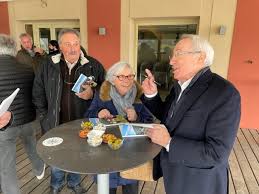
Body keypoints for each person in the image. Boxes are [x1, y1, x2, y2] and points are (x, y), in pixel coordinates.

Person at [141, 34, 241, 194]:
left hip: (200, 183)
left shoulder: (224, 92)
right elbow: (169, 117)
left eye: (178, 54)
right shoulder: (179, 86)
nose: (171, 61)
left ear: (200, 58)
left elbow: (216, 153)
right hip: (175, 175)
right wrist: (151, 95)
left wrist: (169, 142)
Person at [33, 28, 105, 194]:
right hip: (55, 121)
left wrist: (92, 94)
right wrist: (45, 115)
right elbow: (38, 92)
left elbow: (106, 91)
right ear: (59, 46)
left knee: (78, 154)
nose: (73, 48)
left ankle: (74, 183)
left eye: (76, 43)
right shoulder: (47, 64)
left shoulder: (93, 65)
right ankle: (56, 184)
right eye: (68, 44)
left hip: (82, 122)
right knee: (56, 154)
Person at [85, 61, 153, 194]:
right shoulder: (101, 94)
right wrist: (98, 113)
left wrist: (136, 117)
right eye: (121, 76)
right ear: (112, 79)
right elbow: (87, 116)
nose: (126, 80)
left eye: (130, 76)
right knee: (108, 188)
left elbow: (150, 121)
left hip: (132, 153)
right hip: (106, 153)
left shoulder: (141, 95)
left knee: (131, 187)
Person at [0, 34, 45, 194]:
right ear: (13, 49)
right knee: (31, 144)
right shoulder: (27, 69)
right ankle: (39, 169)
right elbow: (34, 93)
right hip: (28, 119)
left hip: (4, 126)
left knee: (6, 165)